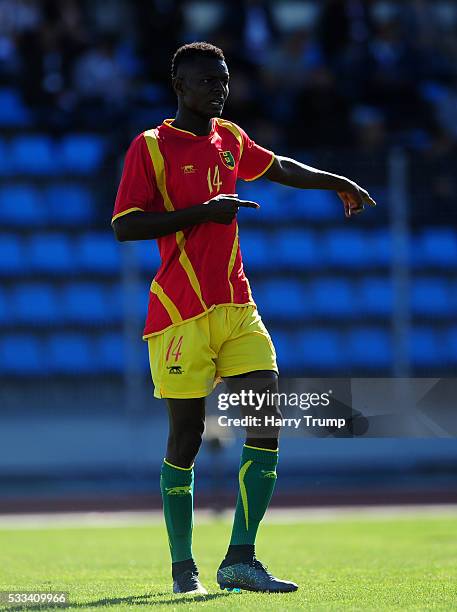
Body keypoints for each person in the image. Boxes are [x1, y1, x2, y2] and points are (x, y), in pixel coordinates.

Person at [111, 42, 375, 595]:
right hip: (180, 314)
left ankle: (241, 558)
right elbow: (126, 226)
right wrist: (202, 214)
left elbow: (276, 166)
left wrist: (337, 182)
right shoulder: (152, 147)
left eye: (224, 79)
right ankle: (185, 571)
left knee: (266, 414)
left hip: (237, 306)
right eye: (208, 80)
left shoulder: (229, 138)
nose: (220, 88)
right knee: (185, 438)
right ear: (180, 86)